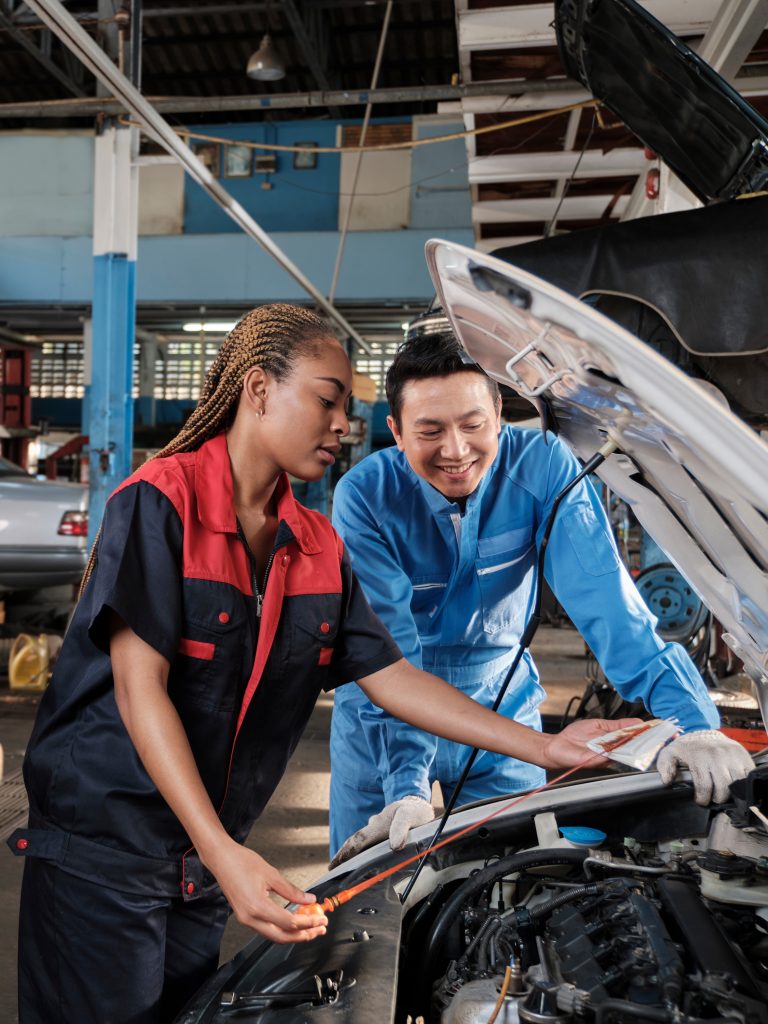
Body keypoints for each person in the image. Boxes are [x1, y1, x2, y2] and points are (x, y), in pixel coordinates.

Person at [10, 305, 627, 1024]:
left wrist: (547, 748)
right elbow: (138, 690)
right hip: (103, 853)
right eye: (328, 401)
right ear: (258, 389)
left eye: (346, 409)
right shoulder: (159, 502)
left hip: (200, 861)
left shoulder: (313, 545)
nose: (343, 425)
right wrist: (223, 855)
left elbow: (394, 678)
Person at [328, 331, 754, 864]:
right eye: (430, 431)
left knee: (515, 879)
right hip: (381, 723)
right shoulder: (364, 497)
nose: (455, 451)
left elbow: (610, 605)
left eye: (473, 425)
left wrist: (692, 722)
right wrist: (406, 786)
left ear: (499, 416)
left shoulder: (545, 466)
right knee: (362, 890)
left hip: (503, 714)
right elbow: (391, 659)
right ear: (395, 430)